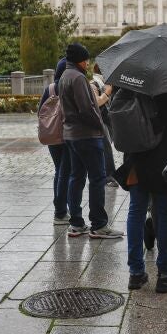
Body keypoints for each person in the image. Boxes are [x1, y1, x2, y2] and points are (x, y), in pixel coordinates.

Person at [115, 90, 167, 293]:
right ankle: (165, 274)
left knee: (136, 211)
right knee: (166, 213)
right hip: (164, 159)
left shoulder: (129, 82)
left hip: (136, 159)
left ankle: (136, 273)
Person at [58, 43, 123, 239]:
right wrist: (99, 126)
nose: (87, 63)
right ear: (79, 60)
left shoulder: (64, 76)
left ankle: (76, 223)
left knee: (76, 177)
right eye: (85, 59)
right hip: (86, 134)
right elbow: (87, 109)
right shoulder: (78, 78)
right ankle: (99, 224)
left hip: (71, 134)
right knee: (97, 178)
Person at [39, 58, 70, 225]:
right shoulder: (69, 85)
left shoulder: (50, 88)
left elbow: (40, 111)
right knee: (66, 172)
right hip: (67, 136)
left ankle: (61, 208)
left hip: (52, 135)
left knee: (59, 171)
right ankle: (60, 211)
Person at [90, 64, 118, 187]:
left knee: (104, 147)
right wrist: (107, 93)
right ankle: (109, 176)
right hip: (99, 120)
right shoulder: (93, 84)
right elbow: (96, 102)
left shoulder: (106, 83)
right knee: (106, 147)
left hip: (108, 119)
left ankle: (103, 173)